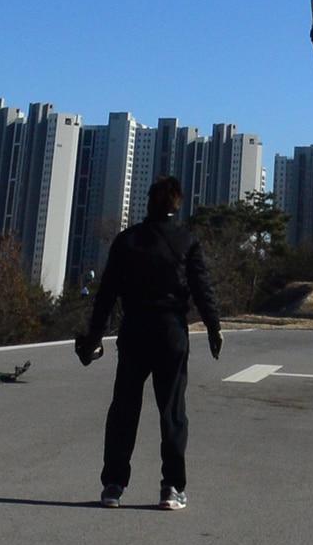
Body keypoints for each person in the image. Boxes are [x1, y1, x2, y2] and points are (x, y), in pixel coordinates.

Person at [75, 174, 221, 511]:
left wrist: (94, 337)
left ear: (148, 202)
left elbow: (106, 296)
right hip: (171, 332)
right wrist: (214, 328)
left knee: (124, 409)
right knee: (172, 412)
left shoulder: (127, 241)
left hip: (135, 330)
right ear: (177, 203)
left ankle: (113, 485)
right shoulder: (187, 241)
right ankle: (171, 487)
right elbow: (202, 290)